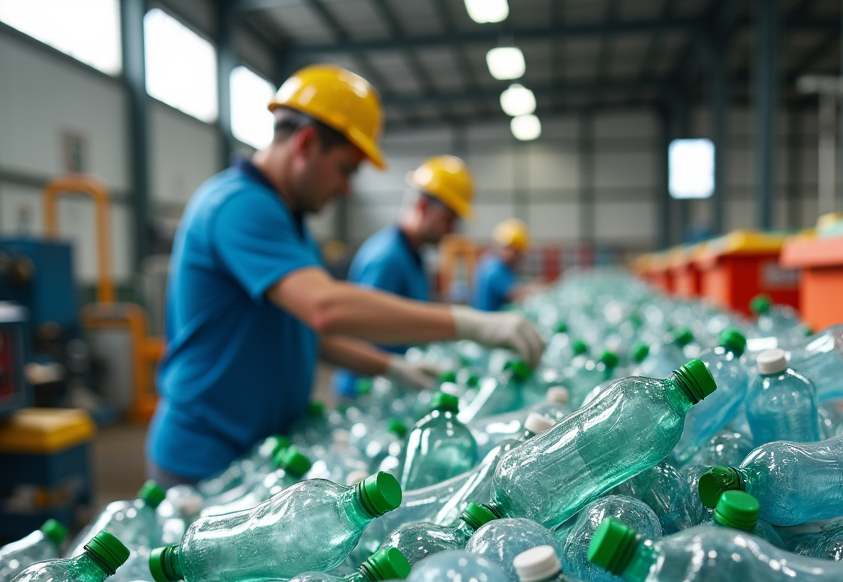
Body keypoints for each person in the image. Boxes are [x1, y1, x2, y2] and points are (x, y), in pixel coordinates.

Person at [145, 65, 544, 488]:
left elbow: (304, 333)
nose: (347, 189)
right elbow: (324, 308)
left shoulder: (287, 222)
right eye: (346, 170)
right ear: (307, 143)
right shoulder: (238, 206)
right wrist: (468, 323)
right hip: (206, 457)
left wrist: (389, 365)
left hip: (259, 449)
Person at [334, 155, 475, 397]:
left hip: (394, 384)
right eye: (448, 220)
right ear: (422, 207)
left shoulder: (414, 257)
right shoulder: (387, 259)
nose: (451, 231)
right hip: (367, 392)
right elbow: (359, 329)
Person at [472, 218, 531, 312]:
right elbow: (518, 294)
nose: (513, 255)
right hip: (490, 322)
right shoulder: (495, 270)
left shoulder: (489, 260)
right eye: (511, 250)